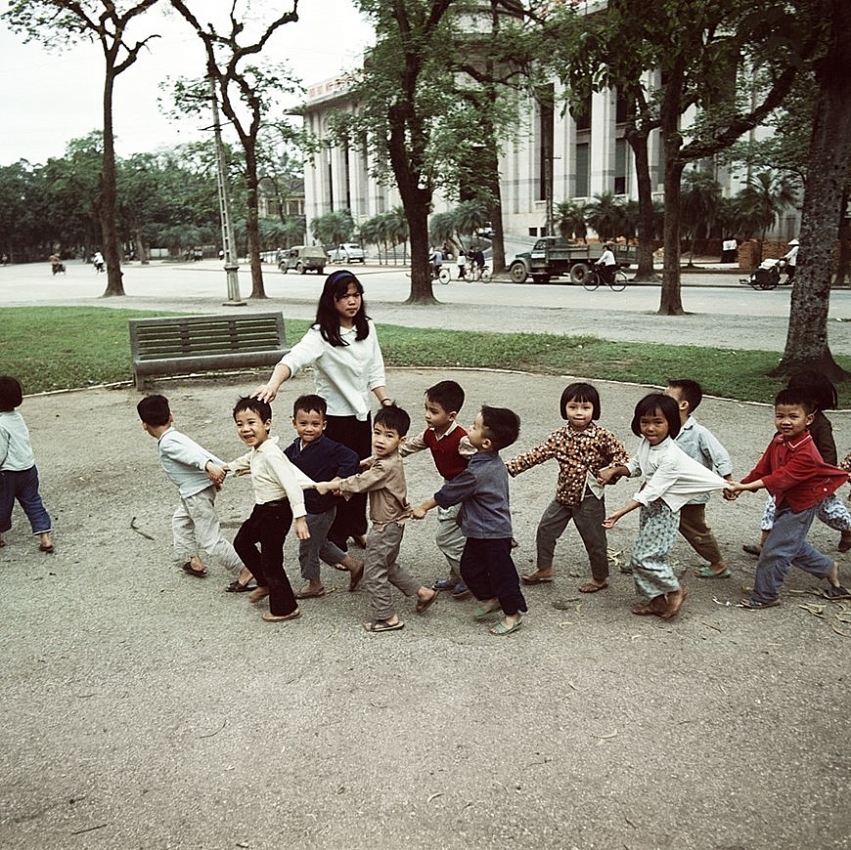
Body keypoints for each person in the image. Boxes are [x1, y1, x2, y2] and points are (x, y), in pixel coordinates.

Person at [254, 270, 393, 553]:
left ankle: (357, 529)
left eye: (356, 295)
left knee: (360, 473)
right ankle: (334, 537)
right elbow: (292, 360)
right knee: (336, 480)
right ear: (332, 300)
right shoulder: (320, 335)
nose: (352, 302)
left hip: (360, 417)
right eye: (345, 296)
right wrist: (273, 384)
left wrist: (385, 401)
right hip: (334, 420)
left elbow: (375, 370)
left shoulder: (367, 327)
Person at [599, 394, 729, 620]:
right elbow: (636, 466)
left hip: (664, 510)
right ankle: (657, 601)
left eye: (658, 422)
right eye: (644, 422)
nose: (650, 428)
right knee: (643, 556)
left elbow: (651, 492)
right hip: (650, 508)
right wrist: (616, 470)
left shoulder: (671, 456)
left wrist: (618, 513)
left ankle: (675, 590)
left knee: (643, 557)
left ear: (671, 423)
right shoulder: (647, 443)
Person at [314, 404, 438, 633]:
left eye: (389, 436)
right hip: (393, 525)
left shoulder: (385, 467)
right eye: (377, 433)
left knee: (374, 572)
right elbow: (374, 468)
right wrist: (367, 462)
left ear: (401, 441)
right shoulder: (387, 459)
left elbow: (362, 482)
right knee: (387, 565)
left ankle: (388, 617)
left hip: (385, 527)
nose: (380, 440)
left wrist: (331, 485)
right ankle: (423, 592)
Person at [727, 388, 851, 609]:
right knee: (789, 544)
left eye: (793, 416)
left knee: (775, 550)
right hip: (784, 501)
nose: (785, 422)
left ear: (808, 419)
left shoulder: (806, 453)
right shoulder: (779, 440)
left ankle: (765, 596)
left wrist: (744, 486)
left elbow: (779, 478)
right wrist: (741, 485)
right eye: (780, 415)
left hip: (801, 506)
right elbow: (763, 468)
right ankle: (828, 568)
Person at [505, 382, 629, 594]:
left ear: (594, 409)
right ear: (564, 408)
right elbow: (536, 454)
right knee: (546, 529)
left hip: (589, 497)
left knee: (594, 539)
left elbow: (623, 458)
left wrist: (612, 470)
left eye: (585, 407)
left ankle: (600, 578)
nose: (579, 413)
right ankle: (544, 569)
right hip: (563, 496)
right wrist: (506, 467)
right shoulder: (559, 437)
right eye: (573, 407)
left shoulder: (603, 436)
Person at [413, 406, 526, 636]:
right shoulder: (485, 459)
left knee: (503, 575)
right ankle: (491, 598)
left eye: (474, 428)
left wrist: (424, 506)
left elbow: (451, 491)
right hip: (478, 531)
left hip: (493, 534)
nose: (468, 431)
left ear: (486, 443)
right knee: (469, 568)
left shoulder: (479, 472)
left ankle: (513, 614)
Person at [137, 394, 250, 588]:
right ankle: (191, 559)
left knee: (210, 540)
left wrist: (209, 467)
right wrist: (209, 474)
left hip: (196, 495)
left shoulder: (168, 442)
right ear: (171, 416)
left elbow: (192, 456)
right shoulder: (174, 436)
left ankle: (245, 570)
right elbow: (193, 455)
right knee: (180, 521)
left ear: (144, 425)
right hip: (195, 491)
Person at [743, 371, 851, 557]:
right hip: (786, 478)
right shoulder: (790, 418)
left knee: (831, 513)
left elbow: (828, 454)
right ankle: (766, 543)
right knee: (773, 506)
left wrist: (819, 474)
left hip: (812, 482)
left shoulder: (820, 424)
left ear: (815, 400)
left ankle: (848, 529)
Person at [226, 397, 312, 623]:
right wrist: (225, 469)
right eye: (239, 424)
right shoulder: (258, 450)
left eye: (251, 422)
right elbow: (246, 461)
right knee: (242, 542)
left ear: (267, 424)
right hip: (262, 509)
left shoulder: (271, 453)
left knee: (271, 561)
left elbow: (291, 485)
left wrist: (300, 518)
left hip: (276, 511)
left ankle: (285, 607)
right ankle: (264, 583)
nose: (245, 429)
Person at [283, 394, 365, 599]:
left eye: (315, 424)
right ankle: (354, 566)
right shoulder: (294, 448)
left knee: (308, 548)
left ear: (324, 425)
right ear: (294, 423)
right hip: (307, 505)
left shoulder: (329, 447)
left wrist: (338, 480)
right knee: (320, 545)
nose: (309, 428)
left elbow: (352, 458)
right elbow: (279, 463)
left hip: (321, 507)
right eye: (303, 423)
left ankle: (314, 584)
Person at [399, 380, 475, 599]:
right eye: (426, 409)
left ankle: (471, 578)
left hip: (463, 491)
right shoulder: (430, 433)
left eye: (434, 411)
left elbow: (481, 465)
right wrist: (375, 458)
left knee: (447, 537)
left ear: (451, 416)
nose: (427, 415)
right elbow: (406, 447)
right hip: (449, 486)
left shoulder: (462, 439)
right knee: (455, 533)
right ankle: (457, 576)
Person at [664, 379, 734, 579]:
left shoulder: (699, 433)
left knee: (695, 530)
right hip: (663, 489)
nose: (661, 400)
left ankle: (718, 563)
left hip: (691, 494)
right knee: (652, 522)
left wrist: (727, 481)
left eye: (666, 397)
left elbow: (720, 455)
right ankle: (645, 558)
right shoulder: (663, 427)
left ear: (683, 405)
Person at [0, 376, 54, 554]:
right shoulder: (17, 417)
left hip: (8, 473)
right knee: (33, 502)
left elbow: (1, 452)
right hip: (28, 468)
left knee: (2, 505)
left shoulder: (0, 424)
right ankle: (45, 537)